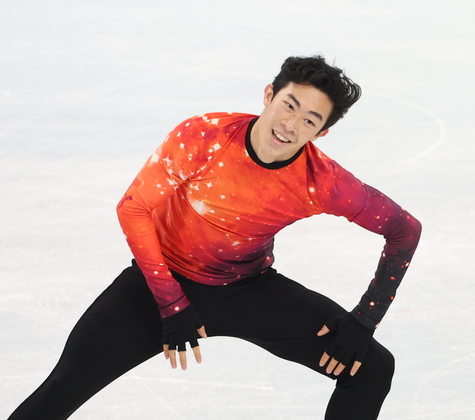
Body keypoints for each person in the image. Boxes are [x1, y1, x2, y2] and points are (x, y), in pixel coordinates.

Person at [8, 55, 421, 420]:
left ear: (321, 133)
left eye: (310, 121)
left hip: (248, 290)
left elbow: (404, 230)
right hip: (159, 285)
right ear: (269, 95)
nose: (290, 125)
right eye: (289, 105)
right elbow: (133, 208)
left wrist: (364, 319)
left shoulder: (323, 181)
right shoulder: (204, 136)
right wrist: (171, 302)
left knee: (371, 367)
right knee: (61, 390)